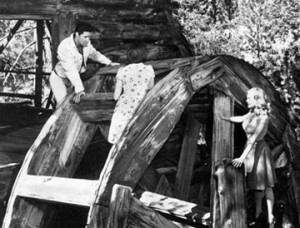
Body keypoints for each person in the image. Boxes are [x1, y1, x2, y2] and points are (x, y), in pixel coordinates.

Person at [219, 87, 277, 228]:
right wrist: (223, 117)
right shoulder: (251, 114)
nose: (246, 100)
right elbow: (240, 119)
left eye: (249, 98)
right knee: (256, 185)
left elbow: (253, 140)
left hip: (260, 151)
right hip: (250, 152)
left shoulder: (263, 118)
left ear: (257, 99)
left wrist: (241, 157)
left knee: (266, 185)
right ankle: (258, 213)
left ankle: (270, 216)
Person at [49, 22, 119, 106]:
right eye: (85, 37)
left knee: (72, 105)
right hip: (59, 79)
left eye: (89, 37)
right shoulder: (65, 46)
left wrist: (109, 63)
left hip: (72, 81)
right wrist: (79, 90)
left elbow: (94, 54)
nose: (88, 40)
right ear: (77, 34)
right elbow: (70, 70)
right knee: (62, 106)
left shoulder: (86, 43)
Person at [108, 42, 155, 144]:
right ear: (144, 54)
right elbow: (150, 86)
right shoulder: (148, 69)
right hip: (142, 103)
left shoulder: (123, 71)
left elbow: (116, 96)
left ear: (129, 55)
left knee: (120, 134)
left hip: (126, 105)